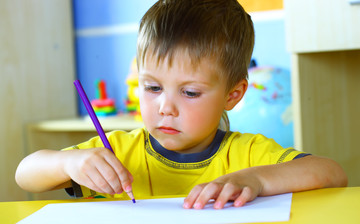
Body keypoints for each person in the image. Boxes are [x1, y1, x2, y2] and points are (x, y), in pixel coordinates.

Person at [15, 0, 347, 209]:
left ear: (233, 95)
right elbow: (25, 174)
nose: (165, 107)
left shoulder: (247, 155)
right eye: (152, 87)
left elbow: (332, 173)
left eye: (189, 93)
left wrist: (255, 180)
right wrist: (70, 163)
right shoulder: (115, 150)